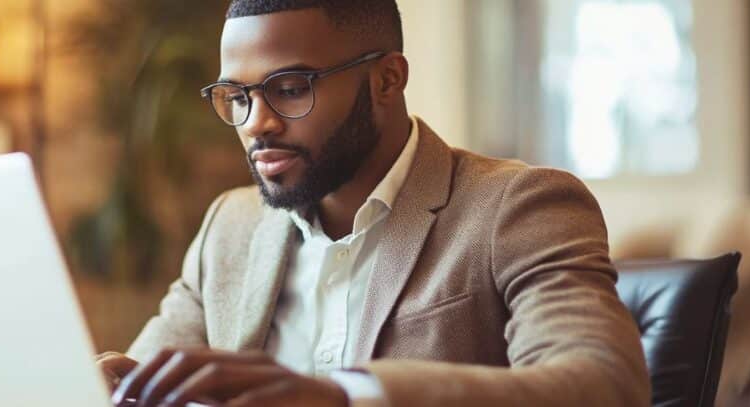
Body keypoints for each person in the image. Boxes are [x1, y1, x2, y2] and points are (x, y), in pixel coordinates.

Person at [98, 1, 650, 406]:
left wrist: (347, 397)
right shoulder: (231, 225)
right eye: (237, 97)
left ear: (387, 79)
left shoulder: (516, 206)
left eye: (290, 88)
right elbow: (146, 377)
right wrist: (106, 386)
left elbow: (603, 385)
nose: (256, 124)